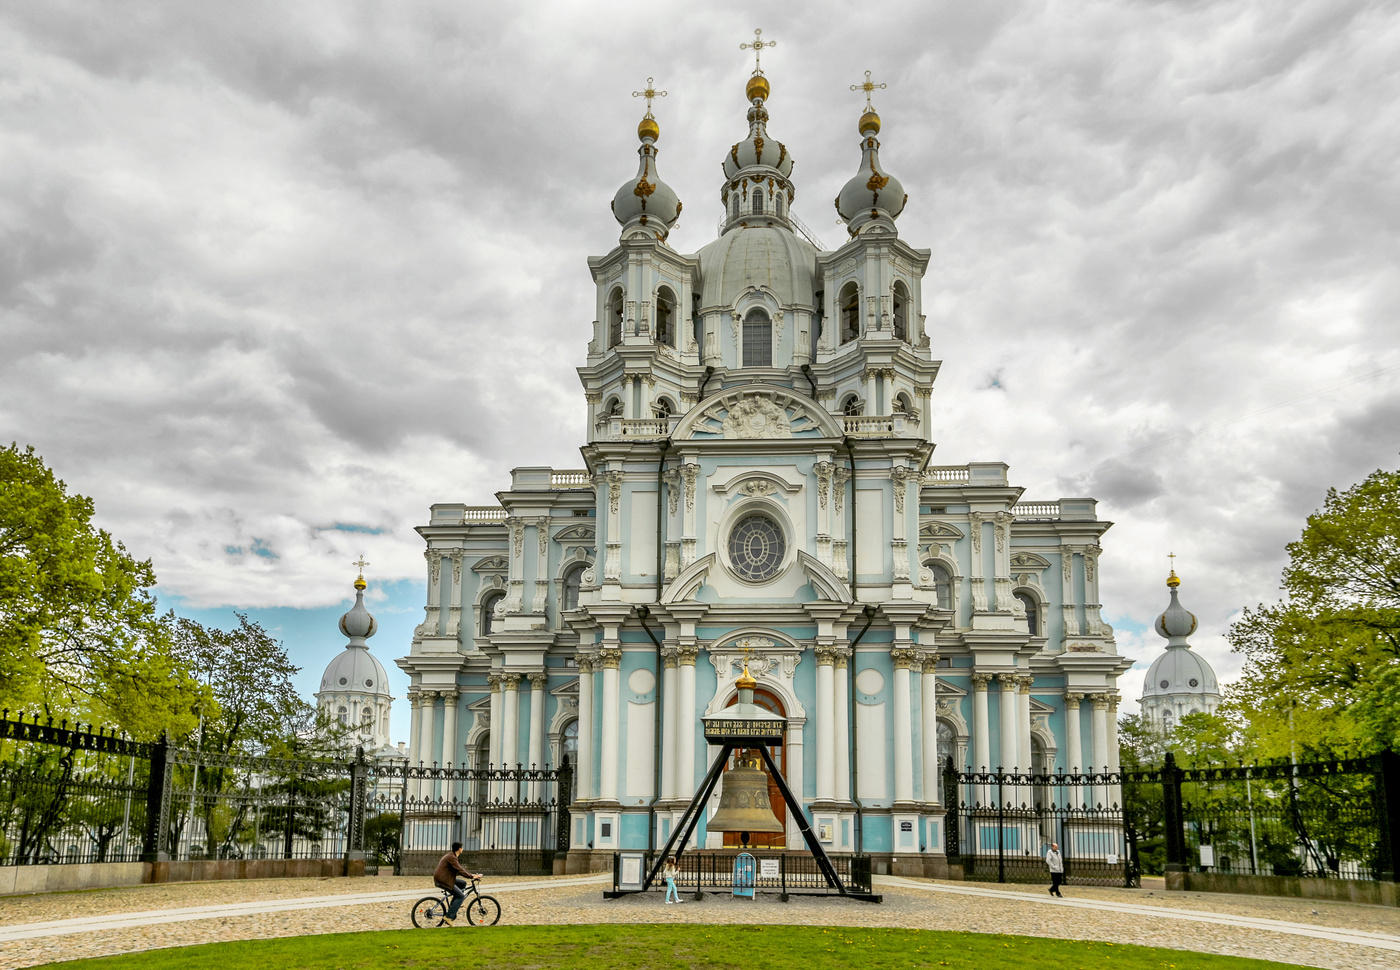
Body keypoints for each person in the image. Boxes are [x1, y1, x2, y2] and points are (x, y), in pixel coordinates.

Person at [433, 842, 482, 925]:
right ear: (459, 849)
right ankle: (449, 917)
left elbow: (458, 870)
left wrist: (472, 875)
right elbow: (460, 869)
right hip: (443, 880)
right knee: (461, 896)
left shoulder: (452, 856)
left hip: (445, 878)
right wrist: (472, 876)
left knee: (462, 884)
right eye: (462, 848)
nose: (462, 849)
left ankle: (455, 904)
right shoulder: (452, 857)